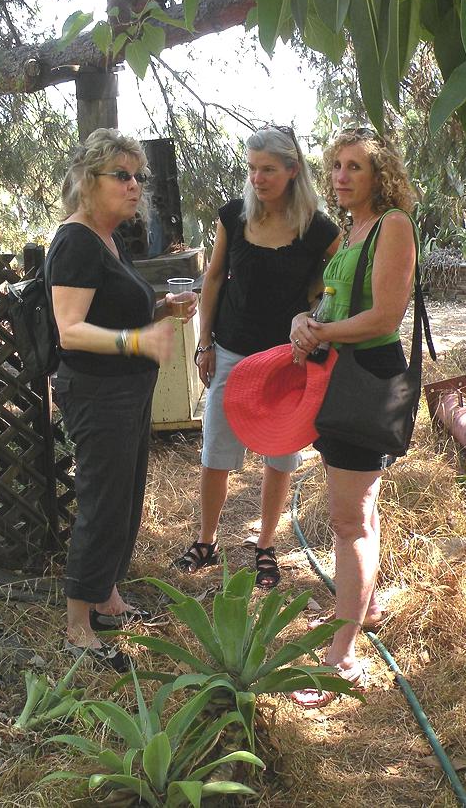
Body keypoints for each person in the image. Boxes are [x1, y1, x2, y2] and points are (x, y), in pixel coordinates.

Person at [48, 128, 197, 670]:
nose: (135, 186)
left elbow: (113, 309)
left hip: (126, 390)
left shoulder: (108, 239)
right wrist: (137, 339)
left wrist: (161, 309)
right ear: (89, 182)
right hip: (97, 392)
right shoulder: (76, 241)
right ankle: (77, 624)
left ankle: (106, 595)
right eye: (122, 176)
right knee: (102, 500)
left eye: (139, 176)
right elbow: (70, 329)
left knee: (126, 494)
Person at [173, 126, 340, 587]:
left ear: (292, 170)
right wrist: (204, 342)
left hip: (287, 362)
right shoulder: (233, 216)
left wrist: (318, 313)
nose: (257, 178)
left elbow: (342, 279)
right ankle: (205, 542)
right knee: (215, 453)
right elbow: (213, 279)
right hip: (230, 351)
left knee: (280, 456)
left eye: (267, 169)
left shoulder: (319, 229)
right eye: (251, 168)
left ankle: (266, 546)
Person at [288, 126, 417, 707]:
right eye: (336, 165)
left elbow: (384, 317)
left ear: (380, 176)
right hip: (343, 376)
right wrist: (305, 320)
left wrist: (320, 332)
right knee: (363, 510)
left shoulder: (392, 225)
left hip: (365, 376)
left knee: (349, 523)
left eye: (354, 167)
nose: (340, 176)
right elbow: (332, 302)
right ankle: (363, 605)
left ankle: (341, 656)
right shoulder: (349, 232)